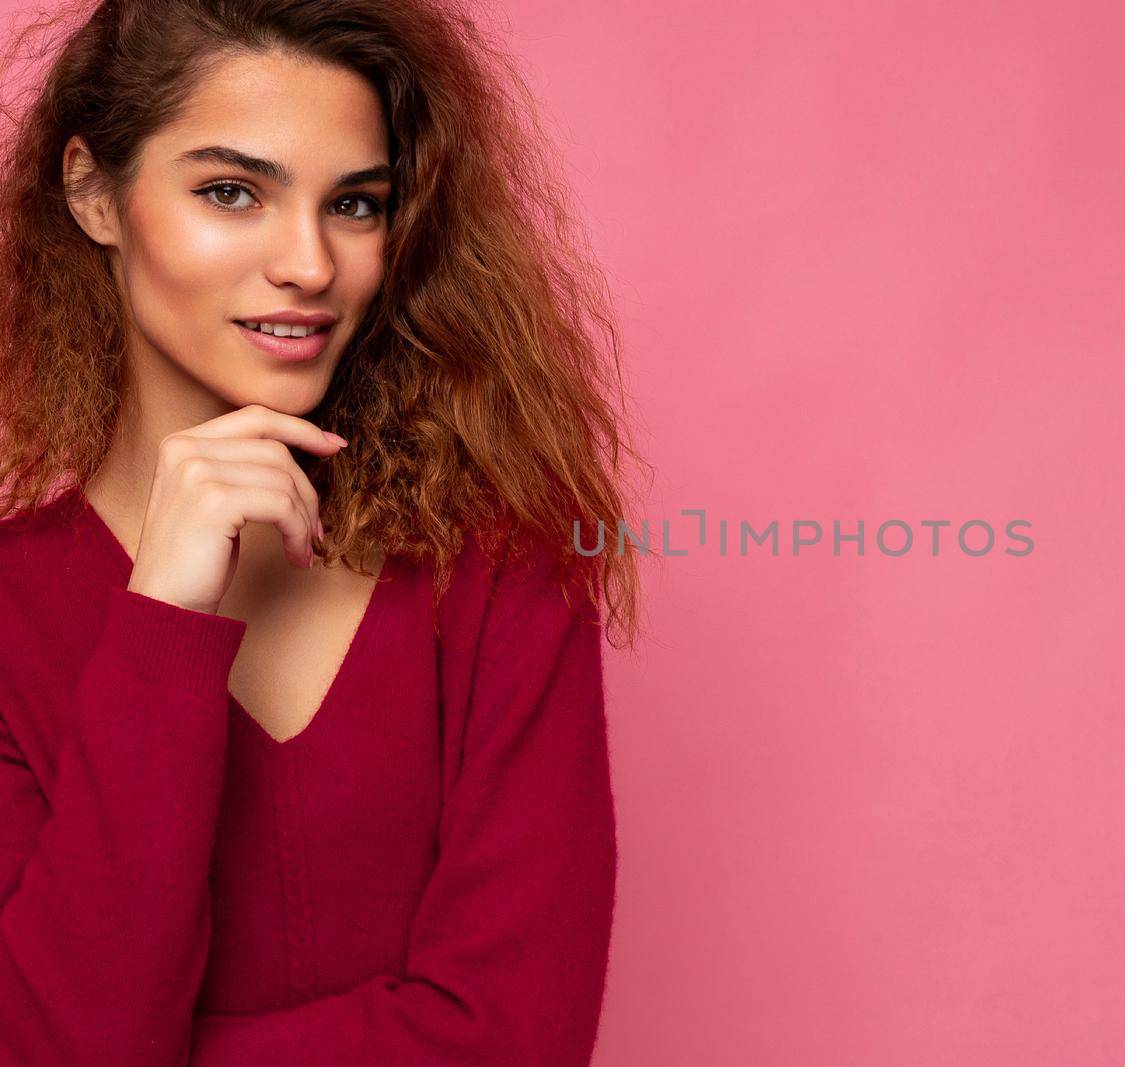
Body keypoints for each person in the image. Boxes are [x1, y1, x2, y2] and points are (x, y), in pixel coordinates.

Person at [0, 0, 646, 1062]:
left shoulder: (501, 568)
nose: (309, 264)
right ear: (93, 192)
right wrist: (162, 616)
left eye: (354, 204)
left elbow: (517, 1037)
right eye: (230, 191)